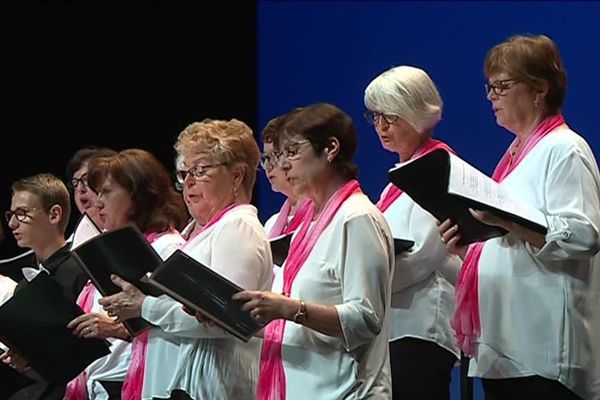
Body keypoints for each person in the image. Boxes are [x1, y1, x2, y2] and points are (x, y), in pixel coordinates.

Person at [439, 34, 600, 400]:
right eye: (490, 87)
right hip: (506, 346)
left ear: (539, 90)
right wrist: (469, 243)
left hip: (543, 352)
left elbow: (584, 235)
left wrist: (506, 221)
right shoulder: (516, 155)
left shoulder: (564, 149)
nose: (491, 96)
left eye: (502, 86)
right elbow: (514, 245)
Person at [99, 119, 272, 400]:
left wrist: (146, 306)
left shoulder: (238, 227)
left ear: (238, 175)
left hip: (215, 386)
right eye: (184, 173)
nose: (189, 182)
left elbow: (227, 319)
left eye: (201, 170)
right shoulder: (202, 231)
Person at [235, 103, 395, 399]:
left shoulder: (357, 217)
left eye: (292, 152)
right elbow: (294, 329)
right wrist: (228, 316)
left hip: (345, 391)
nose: (282, 166)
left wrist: (287, 308)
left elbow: (366, 319)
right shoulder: (309, 223)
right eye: (280, 154)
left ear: (330, 149)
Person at [363, 65, 461, 399]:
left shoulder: (437, 168)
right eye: (375, 117)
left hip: (420, 329)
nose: (381, 127)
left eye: (390, 117)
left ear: (416, 113)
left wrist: (359, 289)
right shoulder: (400, 175)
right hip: (393, 326)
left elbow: (422, 256)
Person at [65, 148, 188, 400]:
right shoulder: (125, 249)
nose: (98, 203)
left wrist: (117, 329)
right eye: (97, 193)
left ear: (138, 195)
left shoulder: (168, 248)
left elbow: (183, 323)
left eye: (106, 193)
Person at [2, 173, 88, 400]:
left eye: (22, 213)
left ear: (54, 214)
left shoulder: (81, 271)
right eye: (11, 214)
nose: (12, 223)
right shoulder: (24, 285)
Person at [260, 112, 310, 263]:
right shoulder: (271, 224)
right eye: (265, 158)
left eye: (274, 156)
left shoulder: (321, 216)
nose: (268, 166)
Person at [65, 146, 117, 230]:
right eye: (75, 183)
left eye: (86, 179)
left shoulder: (137, 233)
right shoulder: (75, 241)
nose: (79, 189)